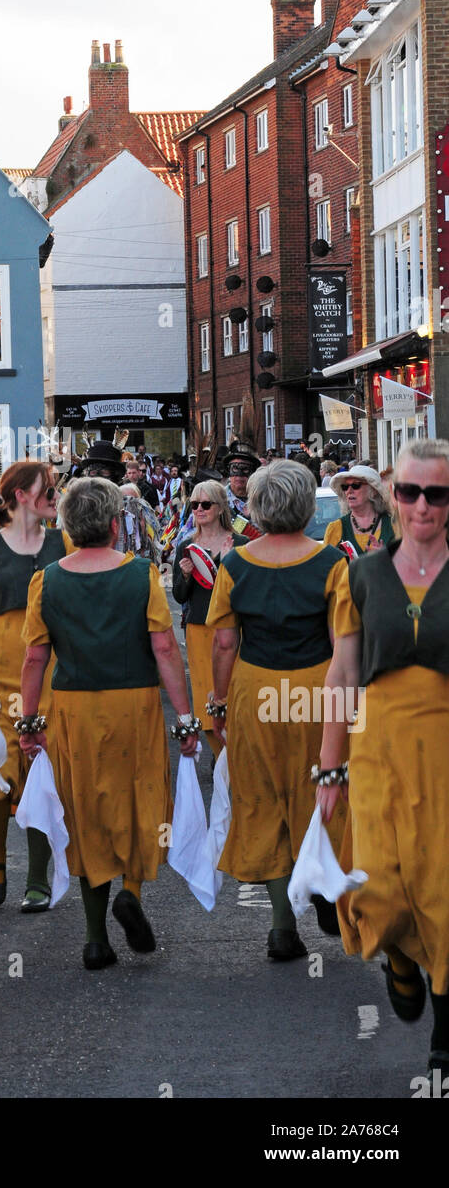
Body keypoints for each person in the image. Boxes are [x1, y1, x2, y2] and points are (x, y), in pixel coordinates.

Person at [20, 477, 198, 969]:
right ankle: (133, 894)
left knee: (86, 810)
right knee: (140, 796)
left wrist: (28, 719)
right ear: (116, 525)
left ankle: (95, 937)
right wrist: (184, 718)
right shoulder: (141, 575)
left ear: (70, 529)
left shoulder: (47, 580)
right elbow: (164, 647)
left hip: (73, 707)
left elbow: (35, 658)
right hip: (133, 703)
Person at [319, 438, 449, 1078]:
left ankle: (445, 1041)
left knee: (445, 892)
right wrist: (329, 767)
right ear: (392, 498)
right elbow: (341, 675)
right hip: (377, 753)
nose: (422, 506)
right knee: (380, 886)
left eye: (436, 493)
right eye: (410, 492)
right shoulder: (361, 575)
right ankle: (398, 957)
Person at [205, 460, 356, 960]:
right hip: (316, 687)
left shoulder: (235, 564)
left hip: (256, 688)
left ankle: (280, 924)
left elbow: (224, 642)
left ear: (257, 507)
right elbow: (342, 644)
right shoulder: (332, 562)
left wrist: (218, 701)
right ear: (306, 505)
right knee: (322, 789)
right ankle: (326, 886)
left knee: (263, 797)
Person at [0, 461, 67, 913]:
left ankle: (37, 875)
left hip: (49, 667)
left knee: (42, 770)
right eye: (47, 487)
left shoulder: (62, 542)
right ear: (21, 494)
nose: (54, 493)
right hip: (1, 667)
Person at [172, 480, 247, 759]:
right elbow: (180, 596)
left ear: (220, 507)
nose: (199, 509)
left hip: (232, 630)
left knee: (233, 691)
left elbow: (245, 592)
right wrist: (186, 574)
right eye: (194, 505)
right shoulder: (186, 545)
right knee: (206, 693)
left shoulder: (240, 544)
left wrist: (229, 563)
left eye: (205, 504)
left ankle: (238, 751)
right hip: (199, 629)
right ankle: (218, 758)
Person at [324, 464, 394, 557]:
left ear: (373, 491)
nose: (349, 491)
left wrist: (386, 560)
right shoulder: (335, 529)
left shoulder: (394, 526)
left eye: (356, 485)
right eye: (345, 487)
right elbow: (326, 569)